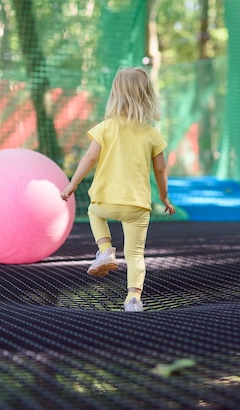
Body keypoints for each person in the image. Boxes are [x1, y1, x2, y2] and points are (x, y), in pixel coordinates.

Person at [60, 67, 175, 312]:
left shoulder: (105, 128)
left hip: (106, 201)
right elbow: (161, 170)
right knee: (135, 255)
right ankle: (134, 299)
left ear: (115, 95)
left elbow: (89, 159)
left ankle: (104, 250)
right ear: (147, 97)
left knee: (93, 212)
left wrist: (73, 183)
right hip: (137, 206)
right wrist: (164, 197)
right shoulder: (152, 135)